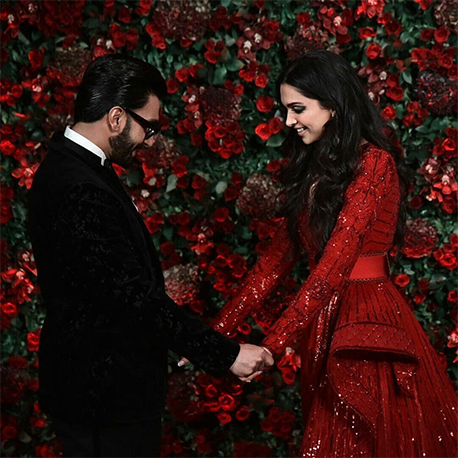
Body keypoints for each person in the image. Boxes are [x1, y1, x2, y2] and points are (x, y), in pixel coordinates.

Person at [209, 50, 458, 457]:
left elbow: (335, 264)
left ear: (333, 105)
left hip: (367, 322)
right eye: (286, 110)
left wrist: (273, 345)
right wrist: (213, 335)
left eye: (297, 109)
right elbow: (271, 265)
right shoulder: (316, 166)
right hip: (324, 318)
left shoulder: (374, 164)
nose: (288, 121)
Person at [28, 54, 273, 458]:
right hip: (104, 398)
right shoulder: (79, 185)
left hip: (101, 393)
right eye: (150, 126)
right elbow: (134, 298)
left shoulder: (75, 169)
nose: (150, 139)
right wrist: (225, 354)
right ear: (117, 117)